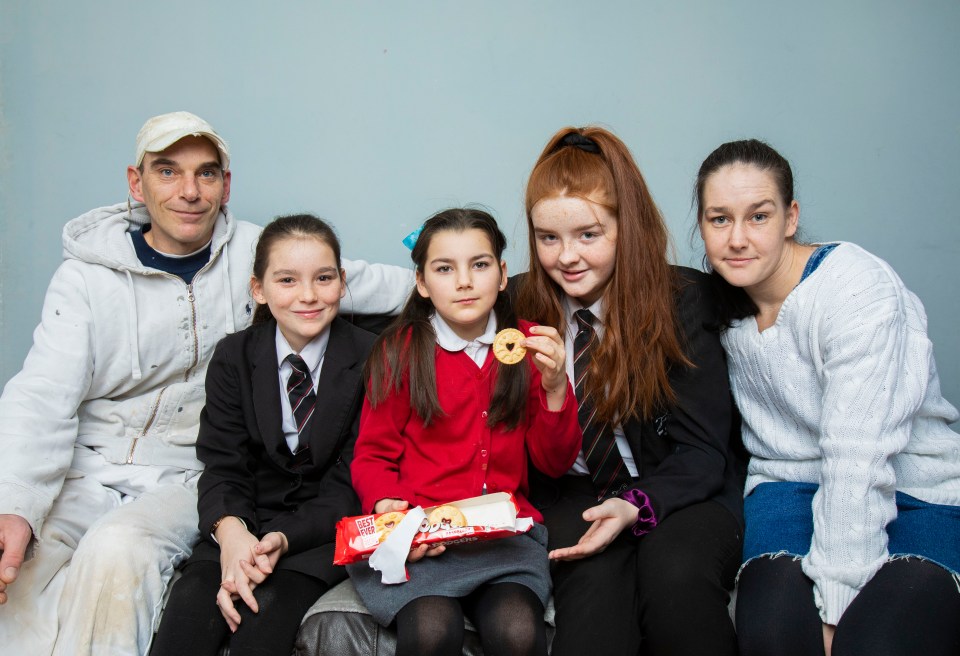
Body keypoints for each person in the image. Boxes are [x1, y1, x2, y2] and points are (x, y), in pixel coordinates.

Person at [0, 111, 412, 656]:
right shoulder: (86, 278)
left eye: (207, 174)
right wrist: (16, 504)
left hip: (182, 471)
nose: (189, 192)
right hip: (89, 462)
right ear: (136, 182)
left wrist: (473, 283)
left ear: (225, 184)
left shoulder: (261, 249)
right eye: (168, 172)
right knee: (20, 578)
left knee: (116, 550)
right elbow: (41, 397)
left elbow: (378, 283)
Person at [694, 138, 960, 656]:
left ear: (791, 217)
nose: (738, 238)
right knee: (773, 636)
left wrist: (836, 604)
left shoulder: (856, 291)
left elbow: (857, 457)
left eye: (759, 216)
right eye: (719, 219)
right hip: (787, 488)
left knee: (876, 643)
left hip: (914, 489)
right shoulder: (716, 307)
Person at [516, 127, 745, 656]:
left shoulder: (683, 300)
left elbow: (704, 451)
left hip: (682, 483)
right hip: (574, 491)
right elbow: (442, 286)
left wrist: (635, 503)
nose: (566, 256)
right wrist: (304, 287)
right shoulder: (521, 301)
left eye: (588, 235)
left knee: (676, 583)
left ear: (628, 227)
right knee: (594, 613)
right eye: (548, 238)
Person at [347, 208, 582, 656]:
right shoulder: (400, 352)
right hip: (424, 542)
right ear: (421, 282)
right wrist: (388, 509)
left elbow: (554, 463)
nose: (464, 282)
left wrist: (555, 388)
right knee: (432, 633)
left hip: (504, 539)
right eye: (444, 268)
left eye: (479, 264)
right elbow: (373, 456)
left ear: (502, 274)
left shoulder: (529, 345)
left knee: (518, 634)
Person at [151, 214, 374, 655]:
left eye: (323, 278)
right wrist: (233, 536)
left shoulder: (373, 357)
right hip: (246, 521)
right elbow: (222, 464)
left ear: (342, 282)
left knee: (265, 616)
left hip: (320, 535)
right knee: (192, 609)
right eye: (287, 280)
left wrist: (283, 539)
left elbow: (354, 478)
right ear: (259, 289)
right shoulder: (234, 356)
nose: (308, 295)